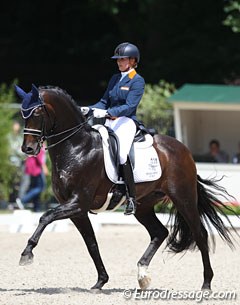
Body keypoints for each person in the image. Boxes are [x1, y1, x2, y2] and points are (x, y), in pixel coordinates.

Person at [81, 42, 145, 215]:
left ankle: (130, 197)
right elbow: (103, 101)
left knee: (122, 153)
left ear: (132, 60)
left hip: (126, 121)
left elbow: (130, 106)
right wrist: (89, 109)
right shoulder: (115, 78)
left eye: (122, 59)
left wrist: (107, 112)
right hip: (109, 120)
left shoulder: (137, 81)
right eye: (117, 59)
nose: (119, 62)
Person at [17, 146, 49, 212]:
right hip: (36, 169)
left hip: (32, 168)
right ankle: (23, 200)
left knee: (35, 187)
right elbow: (39, 158)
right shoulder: (40, 145)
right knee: (40, 187)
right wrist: (44, 167)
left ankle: (36, 208)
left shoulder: (37, 144)